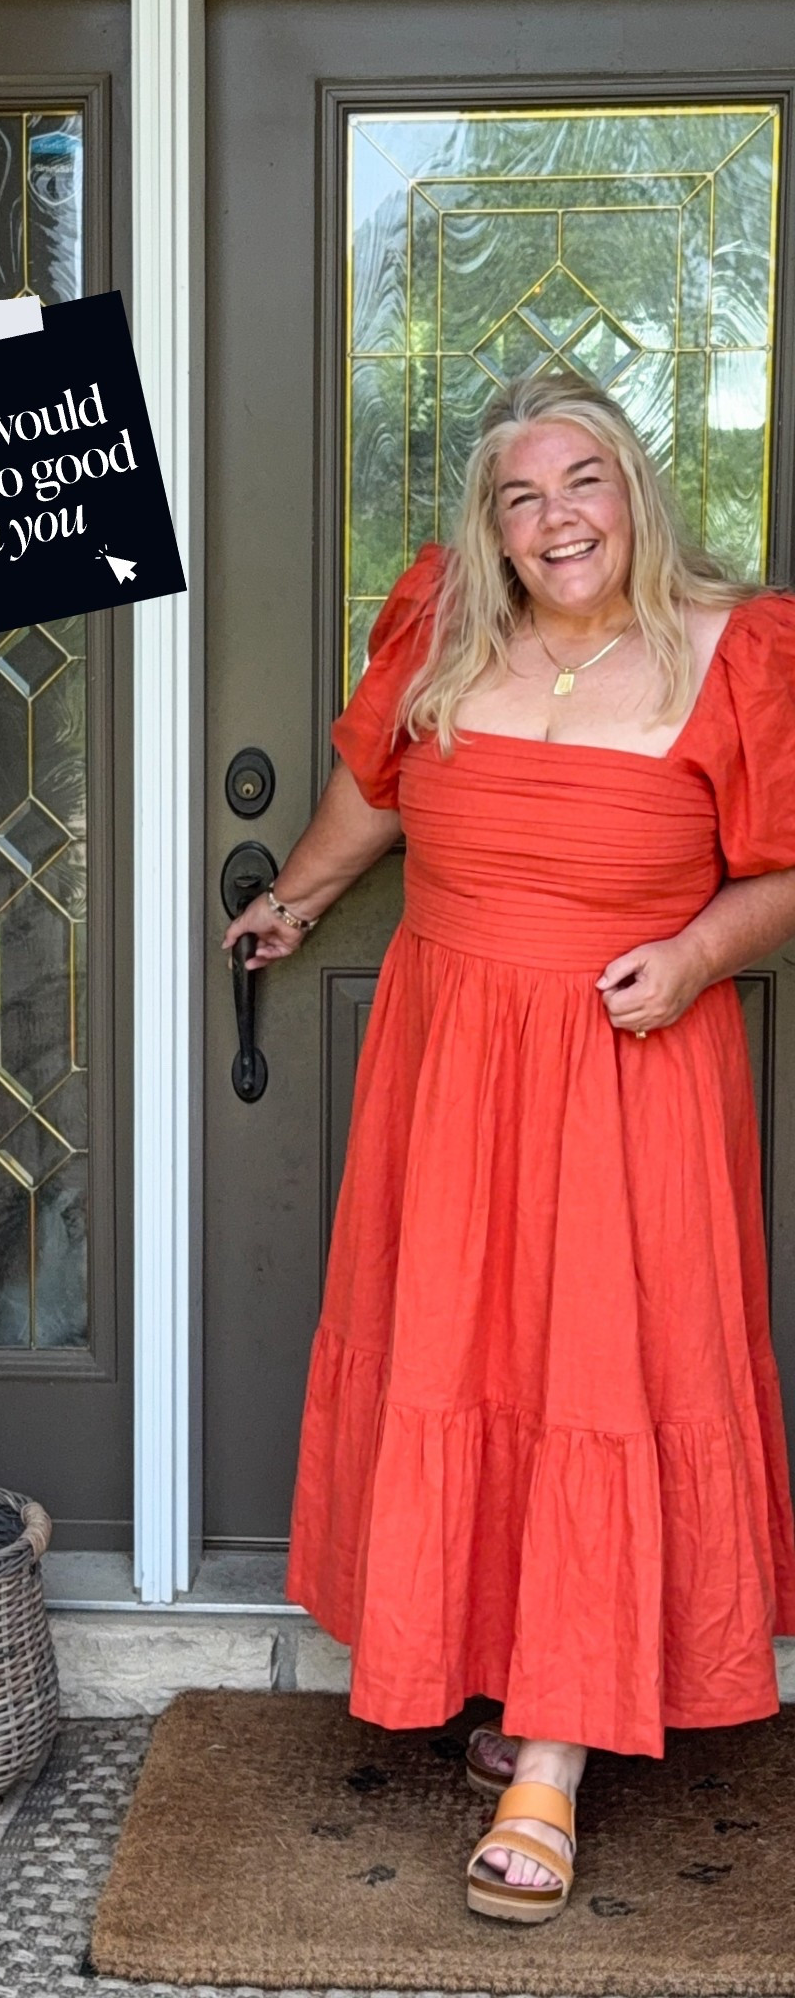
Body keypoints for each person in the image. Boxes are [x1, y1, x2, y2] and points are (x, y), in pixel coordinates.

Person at [221, 369, 795, 1925]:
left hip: (630, 1067)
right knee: (481, 1359)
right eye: (522, 497)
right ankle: (511, 1659)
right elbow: (372, 791)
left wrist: (696, 957)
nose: (558, 521)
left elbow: (788, 868)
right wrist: (299, 900)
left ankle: (551, 1754)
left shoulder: (738, 651)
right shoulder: (443, 626)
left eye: (585, 481)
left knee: (605, 1378)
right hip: (452, 1057)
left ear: (637, 491)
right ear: (490, 525)